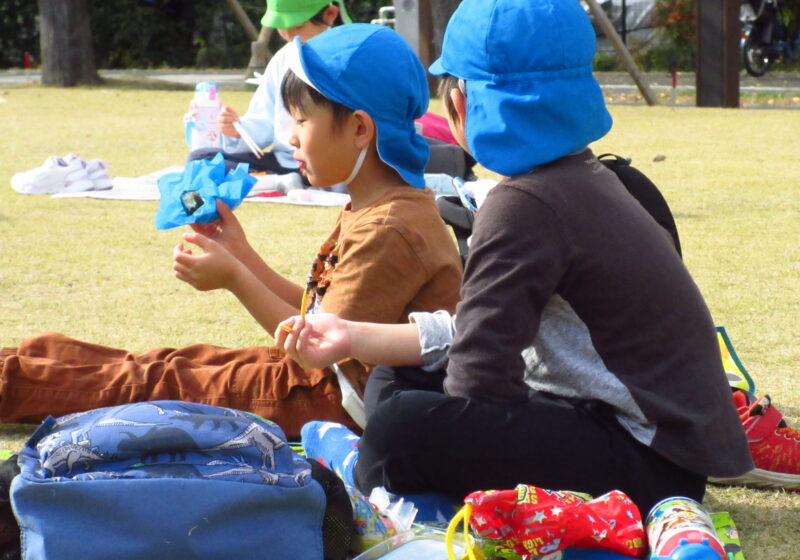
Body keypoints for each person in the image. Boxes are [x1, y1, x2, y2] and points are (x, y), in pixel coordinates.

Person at [276, 0, 753, 514]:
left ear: (462, 103)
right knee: (398, 377)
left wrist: (424, 439)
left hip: (645, 461)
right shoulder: (577, 175)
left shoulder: (523, 204)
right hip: (654, 444)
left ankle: (385, 484)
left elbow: (478, 380)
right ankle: (385, 465)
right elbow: (475, 332)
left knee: (398, 430)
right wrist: (356, 336)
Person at [0, 24, 462, 440]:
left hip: (326, 402)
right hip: (311, 384)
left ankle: (9, 385)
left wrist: (236, 279)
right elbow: (315, 315)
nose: (291, 139)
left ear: (360, 128)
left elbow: (314, 350)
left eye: (302, 120)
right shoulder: (374, 205)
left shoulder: (390, 226)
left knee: (159, 382)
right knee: (161, 363)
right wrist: (242, 254)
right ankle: (19, 359)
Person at [187, 0, 352, 181]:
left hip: (336, 161)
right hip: (287, 162)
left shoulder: (350, 58)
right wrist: (237, 129)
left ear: (330, 14)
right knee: (201, 159)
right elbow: (264, 120)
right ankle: (285, 179)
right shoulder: (283, 58)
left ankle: (284, 180)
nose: (289, 35)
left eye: (298, 26)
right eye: (281, 26)